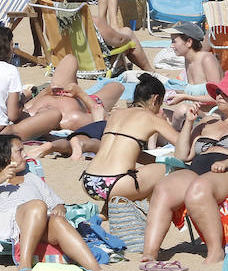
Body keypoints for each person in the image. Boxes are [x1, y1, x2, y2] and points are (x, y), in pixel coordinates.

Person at [143, 69, 228, 265]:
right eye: (218, 92)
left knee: (200, 188)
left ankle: (215, 251)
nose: (218, 96)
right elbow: (182, 155)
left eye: (225, 93)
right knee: (163, 188)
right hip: (198, 170)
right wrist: (189, 123)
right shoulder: (207, 121)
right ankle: (150, 252)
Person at [0, 134, 110, 271]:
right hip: (7, 224)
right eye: (19, 151)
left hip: (38, 221)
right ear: (5, 156)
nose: (25, 154)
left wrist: (59, 207)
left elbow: (57, 203)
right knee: (37, 205)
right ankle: (24, 265)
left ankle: (94, 268)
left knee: (57, 220)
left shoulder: (31, 178)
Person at [79, 73, 191, 211]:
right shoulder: (151, 118)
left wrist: (156, 161)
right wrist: (189, 122)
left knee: (146, 169)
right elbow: (183, 150)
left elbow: (132, 154)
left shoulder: (116, 114)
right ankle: (151, 214)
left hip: (89, 181)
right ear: (155, 99)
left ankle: (105, 212)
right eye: (160, 104)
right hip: (115, 184)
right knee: (173, 170)